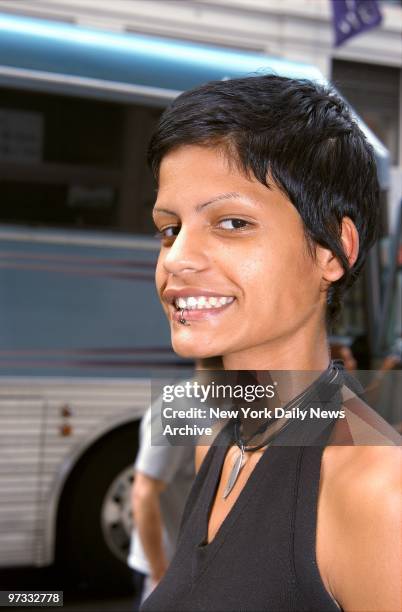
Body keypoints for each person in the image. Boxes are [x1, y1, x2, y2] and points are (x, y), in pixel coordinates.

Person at [140, 75, 401, 611]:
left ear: (333, 250)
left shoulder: (376, 490)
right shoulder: (219, 438)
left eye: (232, 222)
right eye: (170, 229)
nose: (176, 259)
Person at [128, 357, 222, 608]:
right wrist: (160, 573)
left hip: (199, 565)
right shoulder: (175, 409)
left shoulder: (232, 404)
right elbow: (143, 493)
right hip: (168, 568)